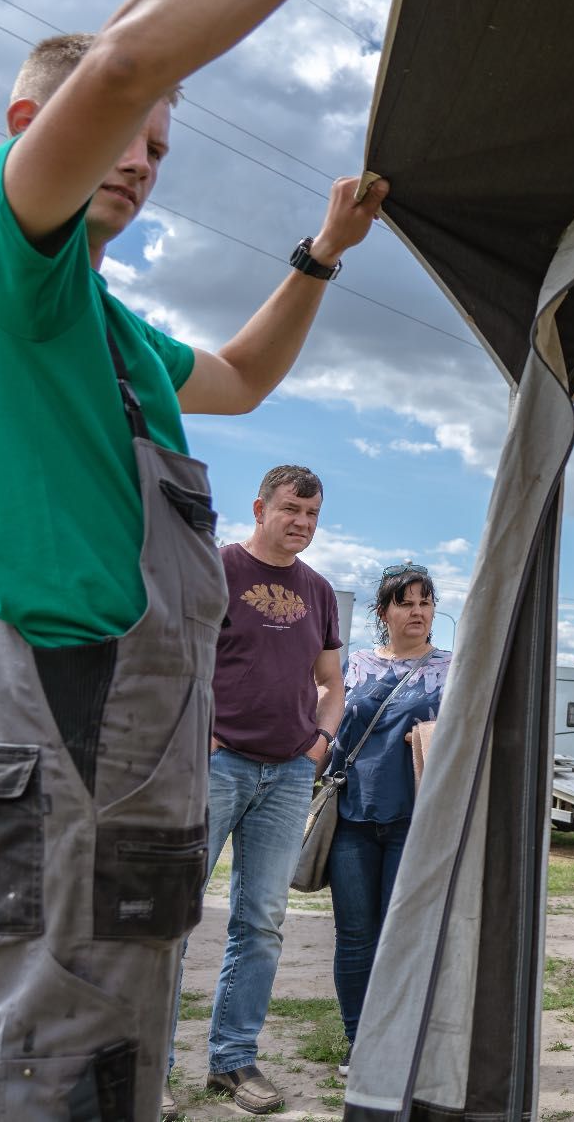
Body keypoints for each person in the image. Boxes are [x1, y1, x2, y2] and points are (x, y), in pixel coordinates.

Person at [0, 0, 490, 1118]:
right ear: (24, 123)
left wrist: (322, 252)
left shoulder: (107, 328)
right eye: (123, 135)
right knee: (52, 1027)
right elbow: (119, 62)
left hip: (153, 733)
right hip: (55, 709)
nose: (141, 159)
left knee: (131, 1010)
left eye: (162, 150)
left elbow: (241, 377)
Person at [170, 465, 344, 1114]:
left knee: (262, 923)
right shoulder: (215, 568)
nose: (301, 522)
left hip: (288, 776)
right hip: (215, 767)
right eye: (291, 509)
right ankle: (149, 1067)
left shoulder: (318, 590)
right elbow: (172, 658)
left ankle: (233, 1062)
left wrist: (318, 744)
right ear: (260, 507)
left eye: (313, 513)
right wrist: (201, 733)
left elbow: (331, 681)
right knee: (173, 919)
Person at [327, 563, 449, 1066]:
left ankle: (400, 1042)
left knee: (404, 938)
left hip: (414, 823)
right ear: (384, 612)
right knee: (355, 937)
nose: (417, 611)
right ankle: (361, 1044)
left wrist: (430, 736)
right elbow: (332, 724)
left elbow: (473, 737)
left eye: (425, 602)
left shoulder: (451, 668)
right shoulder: (354, 665)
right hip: (352, 817)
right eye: (406, 602)